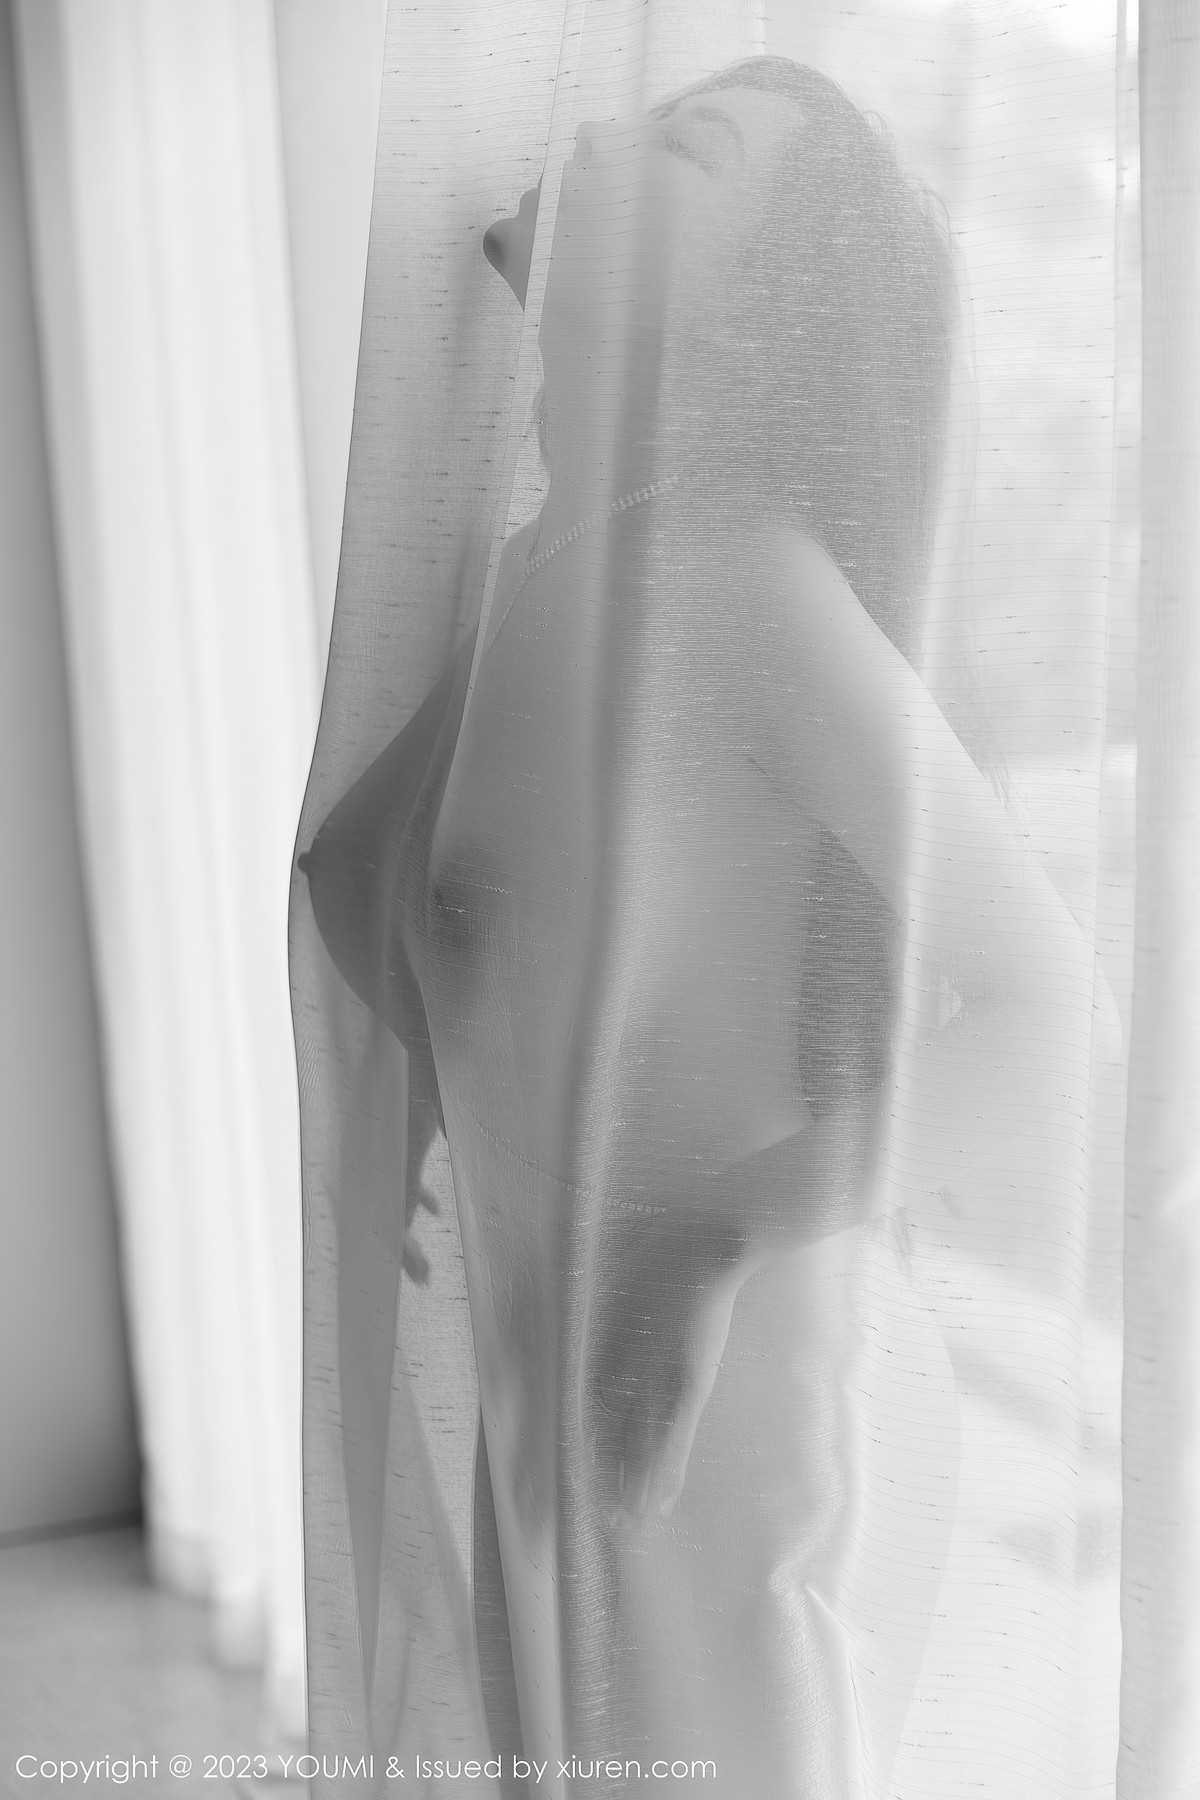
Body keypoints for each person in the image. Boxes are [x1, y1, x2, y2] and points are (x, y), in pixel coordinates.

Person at [298, 56, 1119, 1794]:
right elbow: (356, 874)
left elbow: (1047, 1005)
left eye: (688, 147)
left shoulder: (735, 580)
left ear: (752, 318)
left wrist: (699, 1245)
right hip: (565, 1335)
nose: (601, 126)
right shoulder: (561, 574)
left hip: (725, 1351)